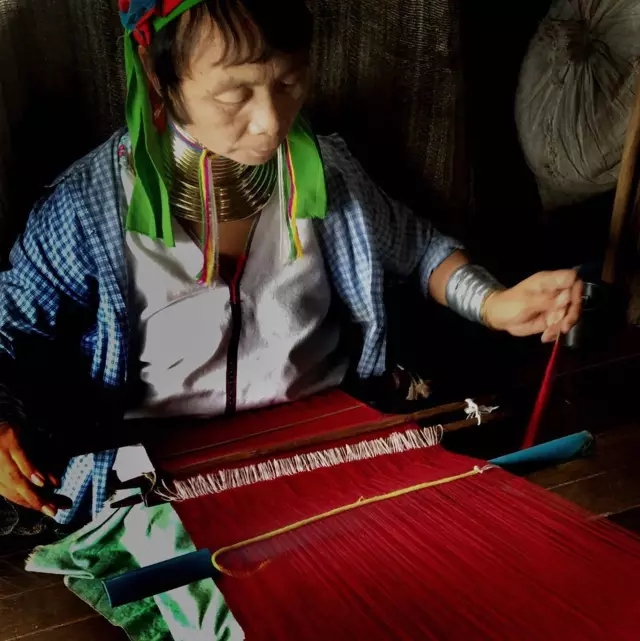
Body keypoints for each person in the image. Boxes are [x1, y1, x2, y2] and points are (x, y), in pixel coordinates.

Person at [0, 0, 582, 532]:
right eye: (234, 94)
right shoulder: (88, 209)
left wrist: (494, 303)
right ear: (159, 77)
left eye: (289, 81)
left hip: (332, 446)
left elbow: (419, 249)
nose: (271, 122)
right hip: (163, 477)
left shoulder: (327, 175)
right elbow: (8, 326)